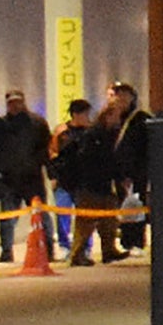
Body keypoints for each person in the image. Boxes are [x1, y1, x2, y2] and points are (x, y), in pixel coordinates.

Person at [49, 98, 122, 265]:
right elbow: (77, 159)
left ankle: (108, 250)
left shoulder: (104, 133)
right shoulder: (90, 134)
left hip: (102, 183)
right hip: (87, 184)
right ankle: (76, 254)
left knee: (109, 220)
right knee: (84, 222)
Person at [0, 87, 45, 262]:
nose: (15, 106)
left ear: (23, 101)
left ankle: (47, 249)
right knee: (7, 217)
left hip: (32, 177)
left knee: (41, 214)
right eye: (11, 103)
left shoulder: (37, 123)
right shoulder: (0, 125)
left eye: (18, 102)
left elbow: (43, 148)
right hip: (9, 178)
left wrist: (38, 165)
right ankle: (6, 252)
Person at [106, 81, 150, 251]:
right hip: (118, 173)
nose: (120, 100)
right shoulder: (112, 119)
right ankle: (125, 241)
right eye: (117, 96)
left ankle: (137, 241)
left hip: (137, 173)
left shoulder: (141, 119)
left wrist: (137, 171)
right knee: (122, 206)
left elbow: (144, 149)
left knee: (136, 206)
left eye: (124, 96)